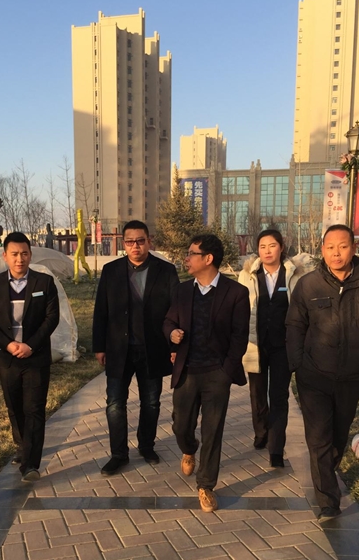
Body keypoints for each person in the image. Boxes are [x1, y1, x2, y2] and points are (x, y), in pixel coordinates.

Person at [286, 224, 359, 522]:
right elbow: (294, 325)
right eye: (330, 247)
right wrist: (297, 363)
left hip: (351, 374)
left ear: (354, 248)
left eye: (343, 246)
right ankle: (328, 501)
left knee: (338, 433)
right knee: (318, 437)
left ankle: (328, 469)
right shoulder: (308, 285)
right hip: (314, 374)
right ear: (322, 250)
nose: (336, 253)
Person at [164, 234, 250, 513]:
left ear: (208, 258)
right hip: (187, 370)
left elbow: (239, 336)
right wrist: (171, 334)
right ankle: (189, 448)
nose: (186, 258)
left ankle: (206, 485)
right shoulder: (182, 291)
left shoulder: (236, 293)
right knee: (181, 426)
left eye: (191, 253)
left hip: (216, 373)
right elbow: (168, 320)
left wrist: (226, 371)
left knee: (213, 430)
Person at [93, 220, 179, 476]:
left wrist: (174, 345)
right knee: (114, 404)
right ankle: (119, 454)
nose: (135, 246)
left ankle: (146, 446)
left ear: (149, 241)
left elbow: (175, 311)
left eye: (140, 241)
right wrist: (99, 346)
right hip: (119, 349)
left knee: (151, 402)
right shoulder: (111, 271)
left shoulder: (166, 271)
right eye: (130, 241)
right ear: (124, 243)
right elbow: (101, 311)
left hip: (153, 348)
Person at [0, 232, 60, 482]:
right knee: (14, 406)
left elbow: (52, 318)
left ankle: (30, 465)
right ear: (5, 256)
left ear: (30, 255)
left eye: (24, 253)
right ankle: (22, 446)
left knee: (34, 408)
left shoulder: (44, 283)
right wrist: (8, 345)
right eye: (14, 254)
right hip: (7, 357)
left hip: (35, 356)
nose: (20, 259)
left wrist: (31, 346)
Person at [238, 229, 302, 468]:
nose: (267, 251)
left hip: (282, 346)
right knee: (257, 393)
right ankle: (261, 432)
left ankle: (276, 448)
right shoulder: (248, 275)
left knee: (279, 395)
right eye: (262, 246)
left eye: (272, 245)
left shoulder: (294, 275)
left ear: (281, 248)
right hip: (255, 344)